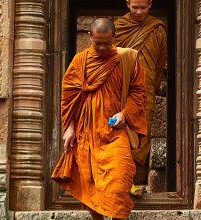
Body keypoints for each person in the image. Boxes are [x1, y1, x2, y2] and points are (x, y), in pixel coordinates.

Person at [51, 18, 147, 220]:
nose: (102, 48)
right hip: (86, 133)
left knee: (120, 180)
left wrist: (125, 114)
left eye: (107, 43)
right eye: (97, 43)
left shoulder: (127, 59)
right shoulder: (80, 61)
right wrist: (69, 128)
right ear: (90, 37)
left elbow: (138, 92)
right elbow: (69, 98)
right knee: (91, 185)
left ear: (114, 37)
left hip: (114, 132)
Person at [114, 0, 167, 193]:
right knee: (119, 135)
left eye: (143, 8)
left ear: (151, 4)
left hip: (145, 92)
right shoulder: (117, 27)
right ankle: (118, 183)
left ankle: (132, 182)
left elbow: (159, 63)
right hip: (120, 92)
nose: (139, 12)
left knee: (141, 136)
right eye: (135, 7)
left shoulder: (157, 29)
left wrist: (150, 85)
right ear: (127, 4)